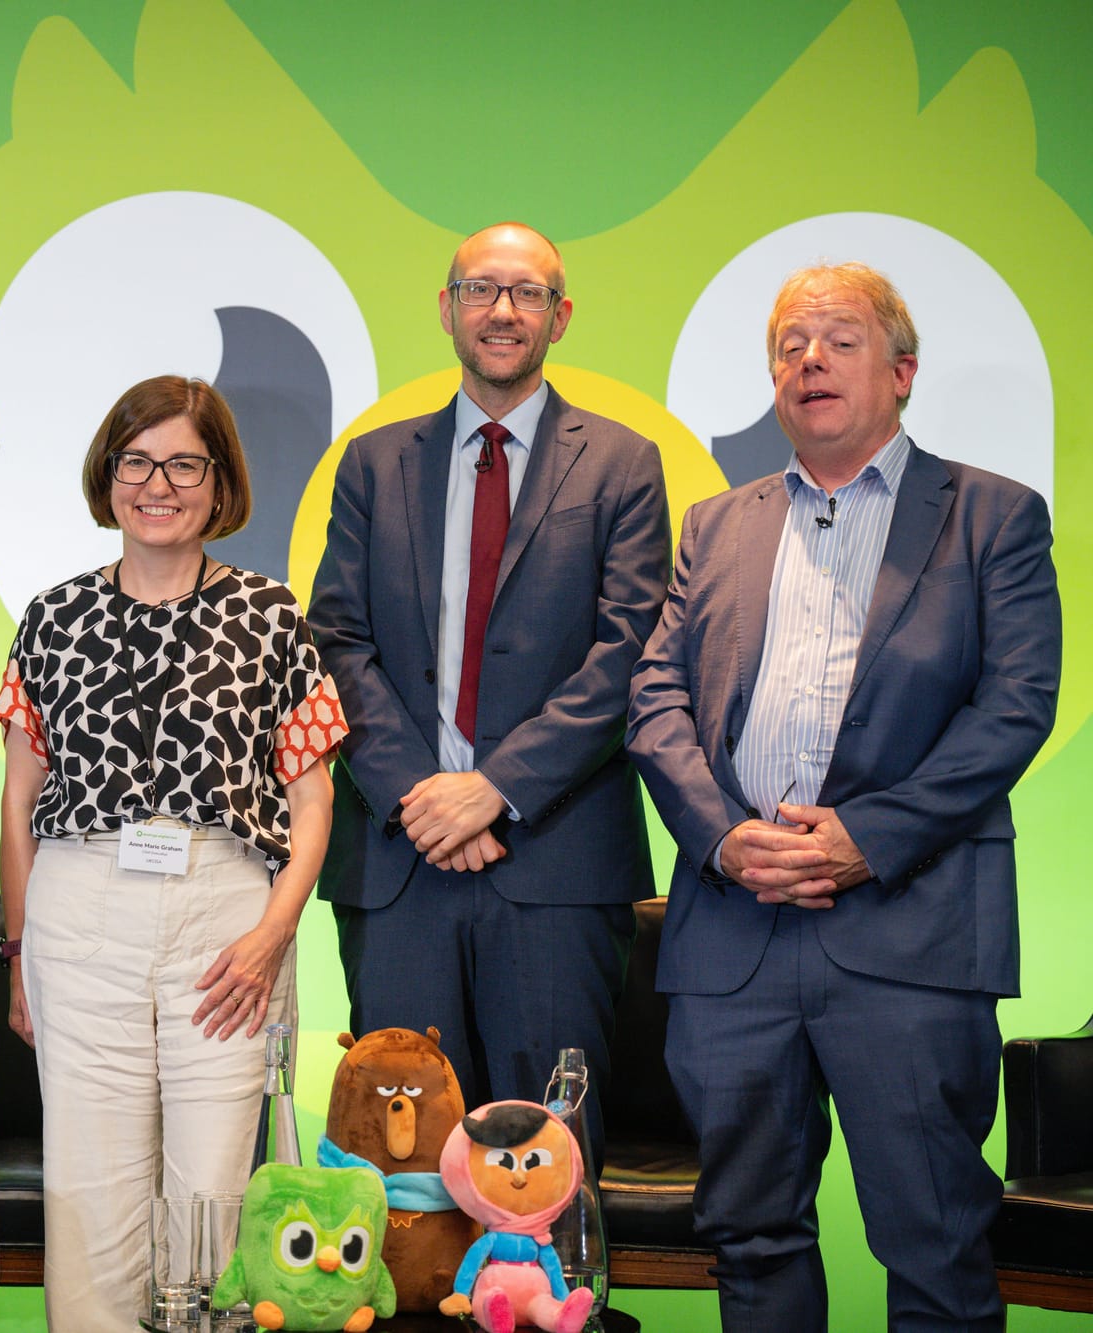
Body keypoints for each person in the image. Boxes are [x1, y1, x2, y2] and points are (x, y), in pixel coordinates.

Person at [628, 261, 1062, 1331]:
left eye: (836, 338)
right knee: (750, 1239)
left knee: (934, 1247)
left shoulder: (990, 516)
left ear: (901, 370)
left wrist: (864, 837)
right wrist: (724, 839)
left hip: (905, 936)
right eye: (786, 343)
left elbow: (1013, 707)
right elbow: (652, 697)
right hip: (732, 939)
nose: (806, 360)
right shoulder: (714, 524)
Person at [0, 375, 347, 1332]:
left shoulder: (271, 615)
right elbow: (20, 798)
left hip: (227, 922)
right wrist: (21, 953)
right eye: (136, 461)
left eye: (184, 462)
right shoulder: (52, 617)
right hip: (80, 914)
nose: (159, 483)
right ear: (107, 477)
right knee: (90, 1198)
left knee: (219, 1195)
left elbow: (313, 800)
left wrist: (275, 932)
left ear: (220, 479)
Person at [306, 222, 669, 1152]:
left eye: (528, 292)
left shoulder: (624, 464)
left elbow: (628, 650)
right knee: (403, 1173)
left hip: (555, 868)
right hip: (401, 863)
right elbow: (337, 639)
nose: (502, 310)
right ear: (445, 308)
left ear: (561, 315)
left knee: (541, 1171)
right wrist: (422, 797)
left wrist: (493, 791)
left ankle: (549, 1308)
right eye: (480, 289)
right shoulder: (374, 463)